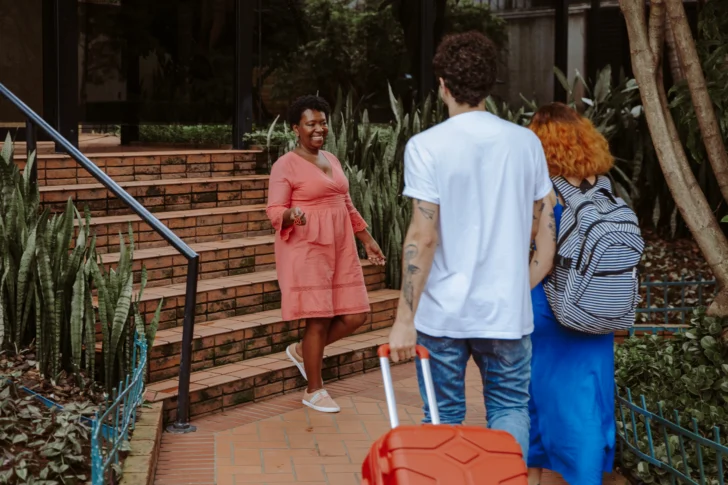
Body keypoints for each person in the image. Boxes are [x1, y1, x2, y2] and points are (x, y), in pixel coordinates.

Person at [387, 31, 553, 458]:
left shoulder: (426, 146)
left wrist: (404, 318)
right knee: (509, 409)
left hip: (443, 314)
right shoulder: (526, 143)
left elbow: (423, 236)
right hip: (506, 312)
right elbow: (536, 225)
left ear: (442, 84)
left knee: (442, 419)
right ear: (489, 84)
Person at [266, 95, 386, 414]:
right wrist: (292, 215)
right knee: (318, 318)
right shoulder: (285, 165)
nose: (319, 129)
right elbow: (274, 210)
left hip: (341, 246)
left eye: (323, 123)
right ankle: (314, 390)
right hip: (308, 247)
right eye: (311, 124)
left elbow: (346, 203)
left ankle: (301, 350)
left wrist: (367, 239)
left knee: (356, 315)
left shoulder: (331, 159)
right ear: (296, 128)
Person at [525, 102, 616, 485]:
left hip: (550, 304)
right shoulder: (603, 187)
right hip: (597, 306)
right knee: (587, 401)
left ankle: (532, 476)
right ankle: (585, 474)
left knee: (538, 397)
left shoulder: (545, 191)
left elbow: (541, 258)